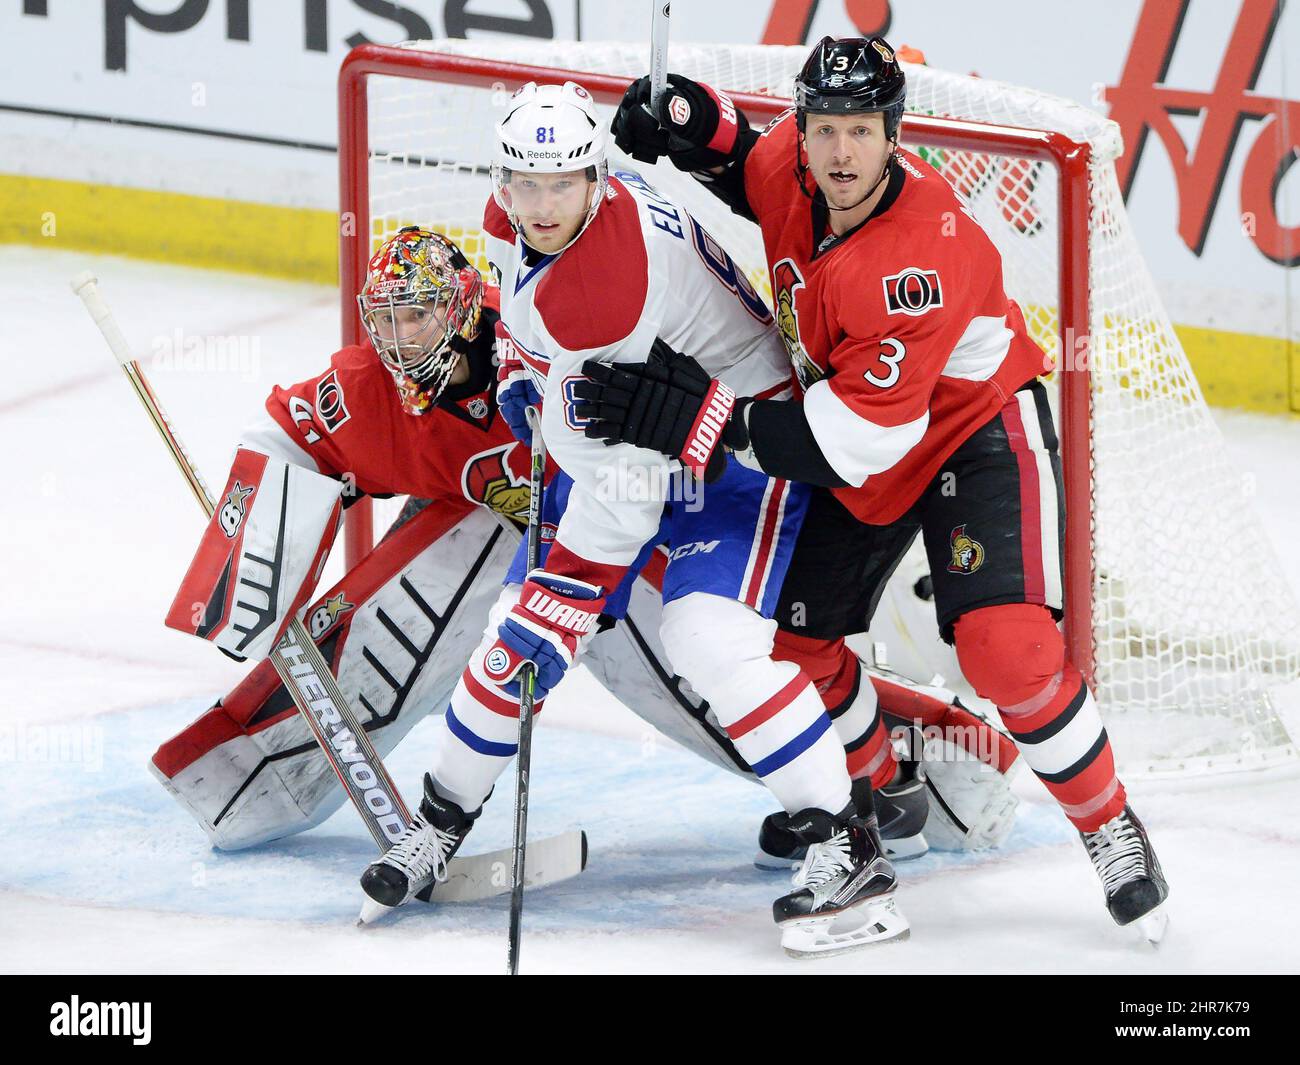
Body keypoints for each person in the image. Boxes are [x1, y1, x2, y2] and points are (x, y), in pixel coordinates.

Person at [583, 35, 1168, 939]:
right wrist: (688, 118)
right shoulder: (801, 161)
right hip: (862, 422)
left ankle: (1109, 826)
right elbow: (745, 156)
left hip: (969, 427)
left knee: (1007, 652)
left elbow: (851, 446)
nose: (841, 151)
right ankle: (874, 799)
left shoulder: (913, 260)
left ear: (893, 134)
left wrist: (700, 420)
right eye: (825, 129)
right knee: (791, 646)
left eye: (860, 130)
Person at [357, 81, 915, 956]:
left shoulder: (604, 292)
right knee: (511, 640)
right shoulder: (518, 219)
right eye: (524, 184)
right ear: (505, 181)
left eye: (561, 186)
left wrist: (571, 594)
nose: (541, 207)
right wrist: (518, 378)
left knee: (705, 641)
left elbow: (626, 492)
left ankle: (848, 839)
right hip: (630, 432)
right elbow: (527, 333)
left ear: (597, 176)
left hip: (734, 451)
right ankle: (438, 823)